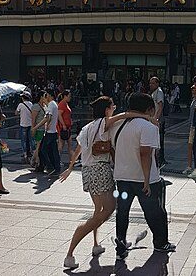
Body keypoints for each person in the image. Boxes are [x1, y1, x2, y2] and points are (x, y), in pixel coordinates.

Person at [60, 96, 127, 270]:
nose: (114, 109)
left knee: (98, 210)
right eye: (112, 107)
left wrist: (70, 167)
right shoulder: (104, 122)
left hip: (87, 171)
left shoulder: (87, 127)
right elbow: (124, 116)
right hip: (100, 169)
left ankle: (95, 244)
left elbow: (78, 150)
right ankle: (73, 246)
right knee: (109, 209)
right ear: (106, 110)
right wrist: (144, 116)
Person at [112, 93, 172, 257]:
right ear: (149, 109)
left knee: (122, 212)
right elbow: (145, 154)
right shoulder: (148, 127)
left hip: (122, 177)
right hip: (145, 180)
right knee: (154, 212)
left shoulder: (118, 125)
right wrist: (146, 179)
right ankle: (161, 243)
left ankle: (121, 243)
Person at [15, 94, 37, 167]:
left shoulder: (20, 105)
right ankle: (34, 153)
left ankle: (25, 155)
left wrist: (20, 113)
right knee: (31, 140)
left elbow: (16, 113)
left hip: (23, 124)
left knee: (24, 141)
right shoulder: (31, 104)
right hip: (30, 124)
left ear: (23, 98)